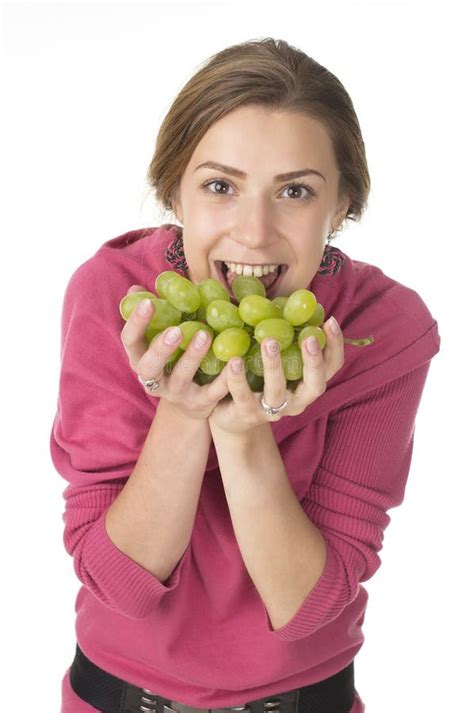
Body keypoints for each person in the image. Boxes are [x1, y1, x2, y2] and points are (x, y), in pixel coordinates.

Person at [50, 38, 441, 713]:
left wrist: (241, 429)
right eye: (220, 186)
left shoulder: (386, 327)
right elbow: (120, 584)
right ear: (175, 188)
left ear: (343, 202)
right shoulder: (117, 298)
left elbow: (308, 604)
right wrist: (182, 411)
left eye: (294, 191)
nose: (254, 233)